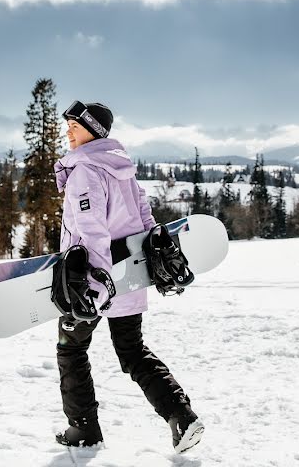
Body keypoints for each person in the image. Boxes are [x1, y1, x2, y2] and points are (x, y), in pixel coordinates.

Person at [53, 100, 204, 452]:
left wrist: (93, 286)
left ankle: (83, 430)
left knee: (71, 350)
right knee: (133, 352)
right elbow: (145, 219)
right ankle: (181, 417)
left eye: (75, 124)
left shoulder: (86, 171)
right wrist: (155, 261)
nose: (68, 129)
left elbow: (93, 233)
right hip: (128, 277)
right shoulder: (122, 168)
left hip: (90, 281)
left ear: (94, 130)